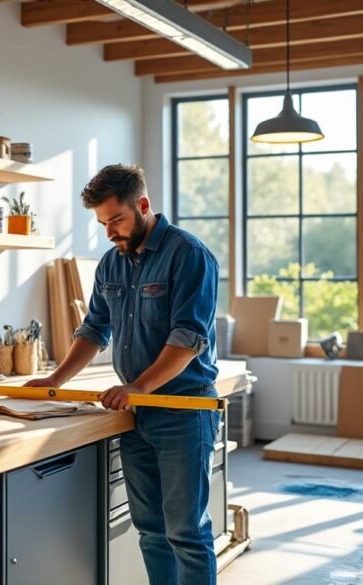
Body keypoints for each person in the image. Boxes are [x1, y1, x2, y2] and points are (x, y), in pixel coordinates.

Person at [27, 163, 221, 584]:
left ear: (144, 205)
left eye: (116, 219)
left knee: (187, 533)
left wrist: (137, 387)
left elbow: (188, 337)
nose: (110, 231)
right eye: (103, 223)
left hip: (183, 410)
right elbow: (95, 329)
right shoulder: (111, 265)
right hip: (135, 415)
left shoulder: (189, 255)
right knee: (151, 531)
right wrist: (56, 380)